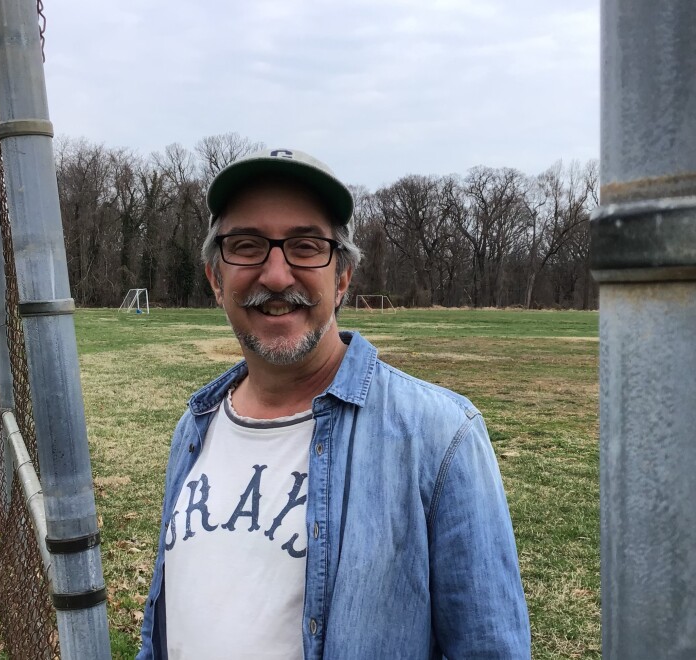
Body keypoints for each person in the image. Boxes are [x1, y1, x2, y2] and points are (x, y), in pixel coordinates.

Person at [137, 148, 530, 659]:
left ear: (341, 278)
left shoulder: (440, 437)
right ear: (216, 279)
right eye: (247, 245)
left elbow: (489, 648)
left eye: (304, 246)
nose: (276, 276)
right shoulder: (197, 424)